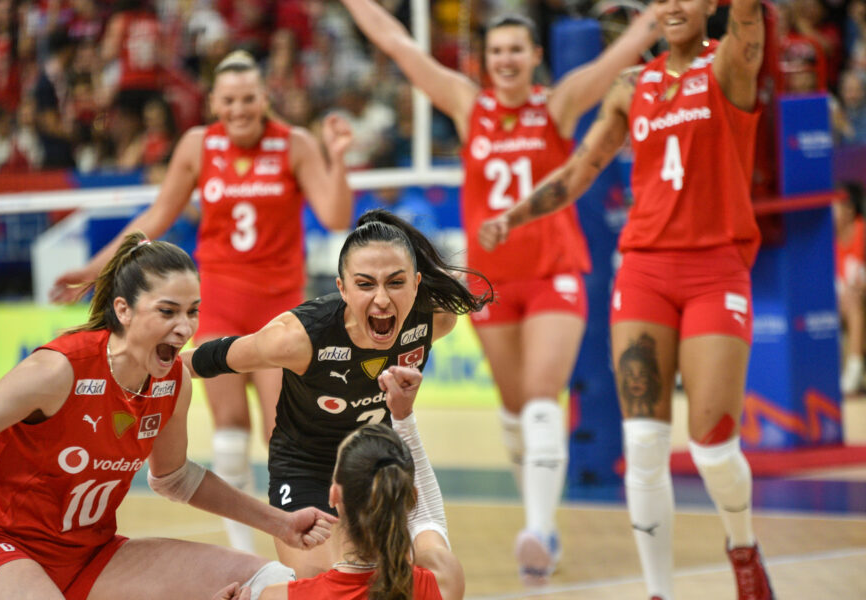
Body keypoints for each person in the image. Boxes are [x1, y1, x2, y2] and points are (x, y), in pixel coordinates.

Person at [338, 0, 661, 584]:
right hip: (490, 286)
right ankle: (542, 525)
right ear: (485, 60)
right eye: (496, 52)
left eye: (516, 50)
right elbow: (399, 46)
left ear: (535, 56)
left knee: (540, 398)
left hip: (554, 271)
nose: (506, 60)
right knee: (514, 411)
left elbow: (615, 57)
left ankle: (537, 529)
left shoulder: (557, 104)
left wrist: (653, 20)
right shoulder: (471, 106)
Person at [478, 0, 774, 597]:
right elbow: (580, 171)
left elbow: (749, 17)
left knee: (714, 449)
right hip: (643, 271)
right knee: (643, 444)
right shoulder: (630, 86)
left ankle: (742, 546)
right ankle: (658, 590)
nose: (674, 6)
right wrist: (514, 215)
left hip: (716, 269)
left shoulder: (730, 64)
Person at [0, 232, 336, 600]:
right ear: (123, 310)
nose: (185, 327)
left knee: (269, 581)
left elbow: (174, 478)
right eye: (168, 311)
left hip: (91, 555)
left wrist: (278, 522)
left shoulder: (174, 381)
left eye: (193, 312)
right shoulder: (56, 371)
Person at [50, 50, 354, 552]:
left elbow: (336, 215)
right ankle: (245, 553)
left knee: (283, 431)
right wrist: (95, 269)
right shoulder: (197, 145)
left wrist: (337, 157)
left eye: (248, 99)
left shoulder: (295, 143)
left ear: (264, 98)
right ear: (213, 101)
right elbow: (157, 216)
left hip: (279, 309)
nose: (239, 110)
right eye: (228, 100)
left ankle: (304, 546)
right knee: (230, 426)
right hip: (219, 302)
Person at [185, 209, 491, 578]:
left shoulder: (436, 319)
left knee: (397, 580)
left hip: (375, 463)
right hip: (305, 468)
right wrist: (140, 370)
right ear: (342, 288)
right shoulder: (296, 338)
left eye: (396, 282)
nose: (381, 299)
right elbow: (205, 359)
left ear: (416, 283)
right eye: (365, 284)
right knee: (323, 583)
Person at [213, 365, 465, 600]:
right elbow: (428, 521)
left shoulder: (278, 596)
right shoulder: (444, 579)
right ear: (410, 497)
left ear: (333, 495)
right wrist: (403, 418)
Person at [835, 181, 866, 394]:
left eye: (834, 207)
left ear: (849, 210)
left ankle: (854, 371)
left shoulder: (862, 231)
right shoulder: (826, 240)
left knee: (853, 302)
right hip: (842, 300)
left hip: (859, 298)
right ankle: (834, 368)